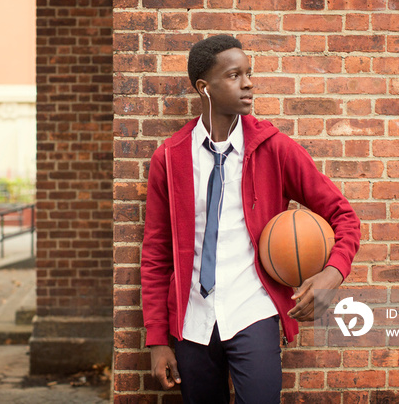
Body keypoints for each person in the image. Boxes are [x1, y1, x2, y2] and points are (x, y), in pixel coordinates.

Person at [140, 35, 361, 403]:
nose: (248, 83)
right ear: (204, 88)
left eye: (249, 73)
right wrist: (158, 339)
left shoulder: (274, 148)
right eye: (234, 75)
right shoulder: (170, 158)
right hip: (192, 321)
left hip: (252, 311)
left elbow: (345, 216)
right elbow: (156, 253)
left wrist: (331, 274)